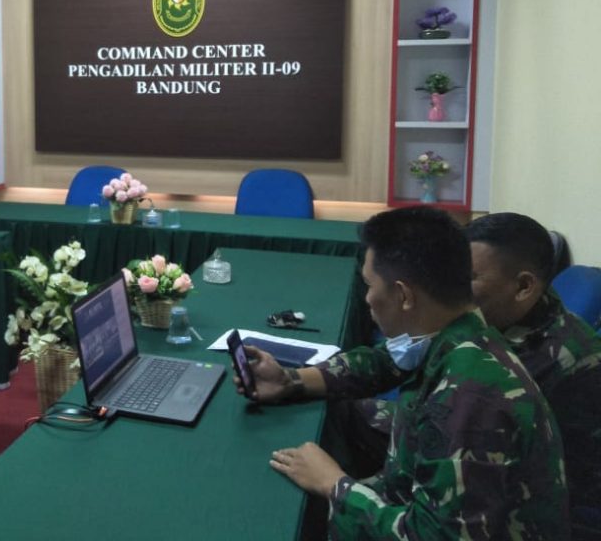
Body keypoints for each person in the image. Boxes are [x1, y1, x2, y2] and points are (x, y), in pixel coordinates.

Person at [235, 206, 569, 539]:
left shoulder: (470, 397)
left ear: (404, 295)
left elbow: (434, 535)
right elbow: (384, 362)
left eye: (369, 285)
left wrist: (334, 485)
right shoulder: (455, 332)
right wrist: (291, 380)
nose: (367, 298)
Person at [467, 212, 601, 539]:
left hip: (546, 513)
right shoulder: (499, 319)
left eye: (468, 277)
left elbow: (466, 437)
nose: (452, 290)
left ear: (524, 286)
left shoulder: (558, 357)